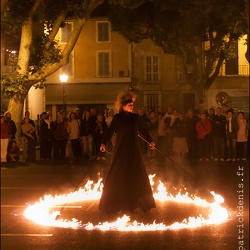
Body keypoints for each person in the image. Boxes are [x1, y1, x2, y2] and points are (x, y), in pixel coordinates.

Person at [99, 90, 156, 213]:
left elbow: (142, 130)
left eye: (132, 105)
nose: (132, 107)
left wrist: (150, 141)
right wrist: (103, 143)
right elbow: (110, 131)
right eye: (129, 105)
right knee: (118, 173)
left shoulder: (135, 117)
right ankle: (113, 203)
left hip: (133, 149)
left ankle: (141, 203)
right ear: (123, 106)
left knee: (137, 174)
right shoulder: (118, 118)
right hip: (121, 149)